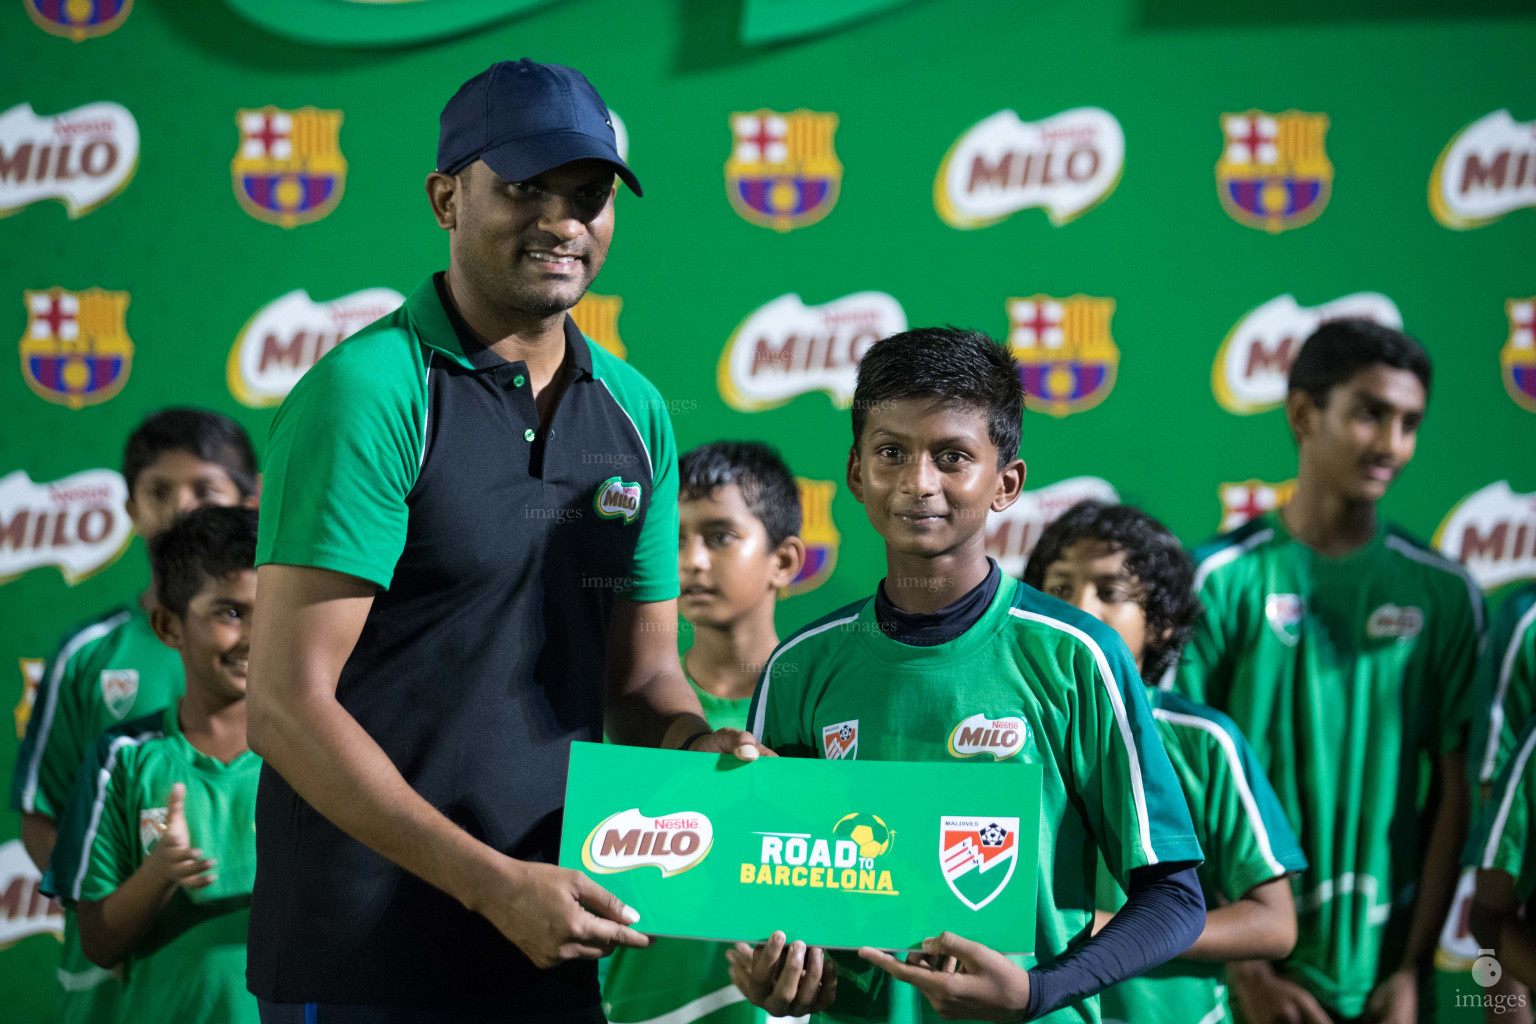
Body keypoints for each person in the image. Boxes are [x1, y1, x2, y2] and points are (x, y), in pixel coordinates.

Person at [245, 59, 764, 1023]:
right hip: (364, 957)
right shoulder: (370, 393)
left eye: (589, 194)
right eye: (525, 188)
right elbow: (283, 706)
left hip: (554, 934)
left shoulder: (638, 410)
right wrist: (489, 883)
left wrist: (702, 744)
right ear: (446, 196)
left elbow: (643, 677)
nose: (562, 221)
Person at [734, 327, 1206, 1023]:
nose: (918, 482)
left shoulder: (1077, 656)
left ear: (1005, 483)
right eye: (891, 453)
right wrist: (778, 979)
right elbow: (773, 893)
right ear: (857, 472)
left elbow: (1175, 896)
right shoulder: (801, 666)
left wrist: (1037, 992)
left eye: (952, 457)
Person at [1173, 319, 1484, 1023]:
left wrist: (1412, 968)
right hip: (1239, 984)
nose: (1392, 444)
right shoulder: (1218, 580)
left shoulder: (1444, 592)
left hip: (1387, 983)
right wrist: (1246, 968)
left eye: (1409, 422)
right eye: (1371, 413)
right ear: (1304, 415)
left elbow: (1455, 790)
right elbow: (1179, 792)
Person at [9, 407, 258, 1024]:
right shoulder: (90, 657)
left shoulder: (301, 664)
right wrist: (116, 892)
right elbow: (44, 814)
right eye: (159, 490)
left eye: (204, 489)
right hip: (126, 976)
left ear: (250, 501)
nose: (181, 507)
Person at [1022, 500, 1305, 1024]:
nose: (1081, 608)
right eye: (1059, 589)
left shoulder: (1205, 742)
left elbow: (1274, 924)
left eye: (1110, 592)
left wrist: (1118, 929)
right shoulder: (1006, 736)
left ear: (1164, 625)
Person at [602, 441, 806, 1024]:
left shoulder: (824, 715)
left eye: (719, 536)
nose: (690, 561)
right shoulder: (623, 715)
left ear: (785, 561)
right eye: (674, 539)